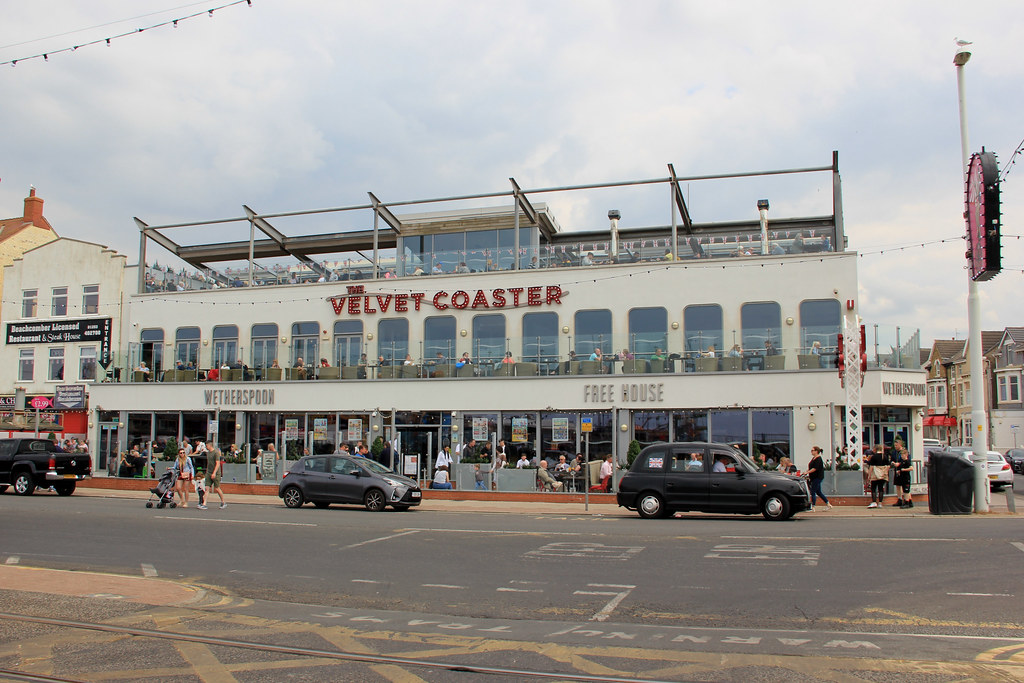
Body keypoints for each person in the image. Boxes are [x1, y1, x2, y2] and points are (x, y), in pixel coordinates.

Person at [805, 446, 832, 511]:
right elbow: (811, 467)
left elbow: (815, 468)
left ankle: (813, 506)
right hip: (813, 477)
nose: (811, 452)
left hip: (817, 477)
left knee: (813, 491)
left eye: (812, 450)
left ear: (816, 451)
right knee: (818, 492)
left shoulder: (818, 459)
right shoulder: (814, 458)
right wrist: (806, 472)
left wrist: (807, 472)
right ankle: (828, 504)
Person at [893, 444, 913, 508]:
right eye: (901, 455)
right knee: (904, 490)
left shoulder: (907, 461)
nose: (901, 456)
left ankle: (906, 502)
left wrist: (903, 470)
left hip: (906, 478)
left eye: (903, 455)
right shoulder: (902, 462)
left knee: (906, 491)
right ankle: (909, 502)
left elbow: (911, 468)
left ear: (906, 455)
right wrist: (899, 471)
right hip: (902, 477)